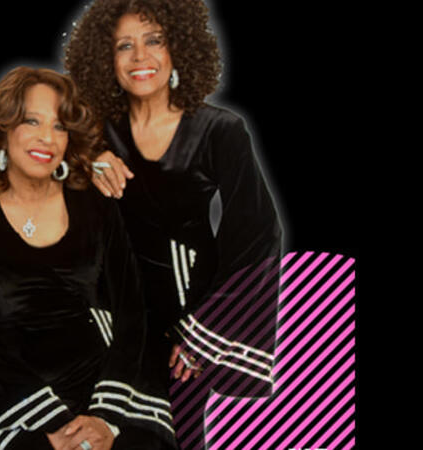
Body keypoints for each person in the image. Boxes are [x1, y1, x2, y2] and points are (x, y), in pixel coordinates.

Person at [64, 1, 283, 448]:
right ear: (105, 58)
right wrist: (84, 159)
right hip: (108, 317)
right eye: (124, 45)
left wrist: (205, 331)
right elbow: (36, 165)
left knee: (176, 438)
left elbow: (258, 233)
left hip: (182, 327)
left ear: (180, 48)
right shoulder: (93, 133)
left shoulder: (220, 130)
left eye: (154, 41)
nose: (140, 57)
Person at [0, 66, 177, 450]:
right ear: (3, 128)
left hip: (106, 387)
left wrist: (105, 418)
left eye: (60, 126)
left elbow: (133, 311)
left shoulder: (95, 203)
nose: (47, 138)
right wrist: (56, 429)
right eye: (31, 121)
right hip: (11, 398)